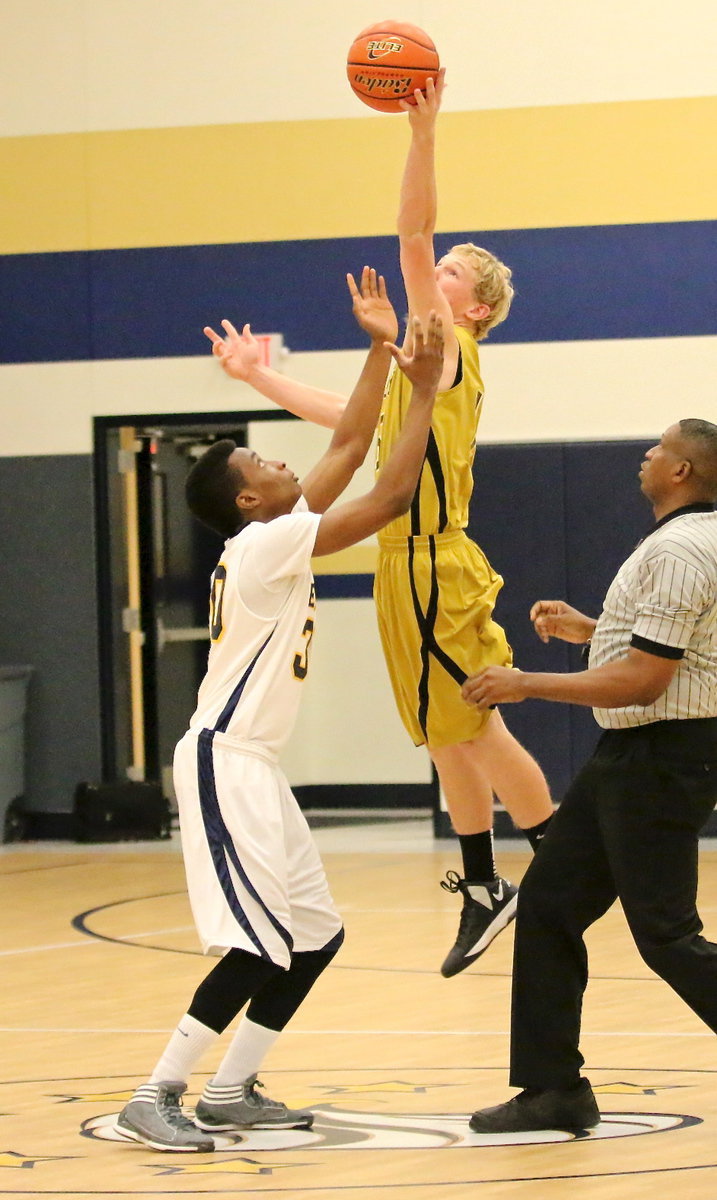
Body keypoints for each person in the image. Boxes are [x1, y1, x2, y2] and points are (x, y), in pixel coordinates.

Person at [204, 71, 554, 980]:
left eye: (446, 280)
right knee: (442, 731)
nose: (429, 283)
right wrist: (253, 380)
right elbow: (341, 416)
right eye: (437, 277)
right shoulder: (414, 368)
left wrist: (423, 137)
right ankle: (483, 885)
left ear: (472, 308)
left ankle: (560, 860)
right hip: (406, 563)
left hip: (434, 556)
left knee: (476, 726)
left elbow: (410, 232)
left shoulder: (450, 345)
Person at [115, 273, 444, 1152]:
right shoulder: (263, 545)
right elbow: (388, 496)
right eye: (263, 465)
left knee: (315, 938)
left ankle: (229, 1089)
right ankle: (155, 1093)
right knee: (263, 946)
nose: (283, 461)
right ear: (248, 500)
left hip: (254, 765)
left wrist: (379, 345)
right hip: (224, 760)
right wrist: (421, 395)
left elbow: (345, 439)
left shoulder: (273, 528)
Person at [463, 418, 717, 1133]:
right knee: (546, 906)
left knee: (665, 936)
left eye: (660, 447)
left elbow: (642, 682)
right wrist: (592, 629)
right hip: (631, 760)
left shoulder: (679, 549)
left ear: (680, 473)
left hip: (662, 758)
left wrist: (525, 683)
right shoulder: (688, 542)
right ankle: (553, 1090)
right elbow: (669, 650)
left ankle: (553, 1088)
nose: (647, 452)